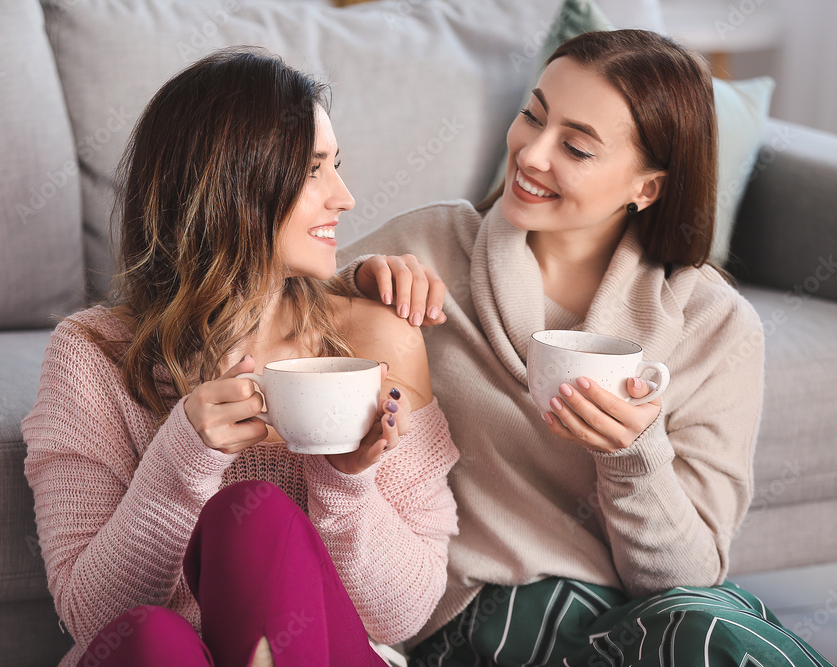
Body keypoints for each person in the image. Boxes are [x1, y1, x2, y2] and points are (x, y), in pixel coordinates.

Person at [340, 30, 834, 666]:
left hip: (653, 610)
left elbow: (689, 576)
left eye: (574, 146)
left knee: (717, 639)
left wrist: (634, 457)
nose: (531, 153)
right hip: (486, 611)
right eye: (532, 116)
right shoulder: (432, 244)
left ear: (647, 188)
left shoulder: (716, 327)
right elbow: (262, 306)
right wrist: (353, 285)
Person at [21, 48, 459, 667]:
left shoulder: (373, 338)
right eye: (312, 171)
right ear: (232, 186)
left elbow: (406, 612)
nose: (345, 197)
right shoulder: (92, 353)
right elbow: (93, 619)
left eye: (335, 166)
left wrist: (345, 480)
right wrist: (183, 457)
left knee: (253, 521)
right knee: (152, 638)